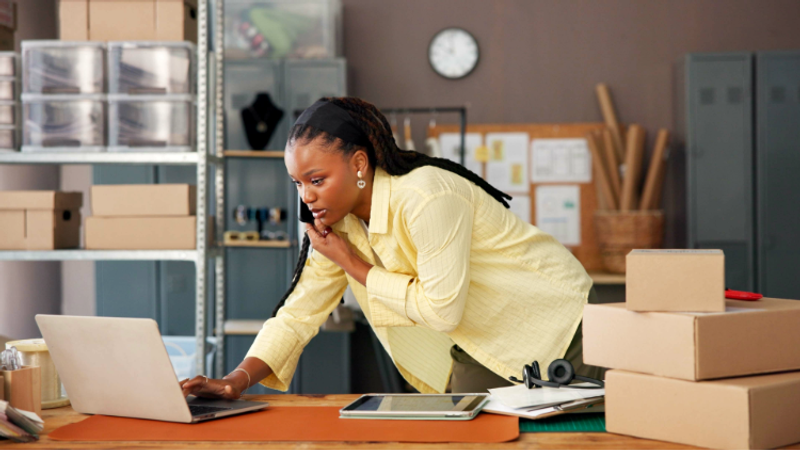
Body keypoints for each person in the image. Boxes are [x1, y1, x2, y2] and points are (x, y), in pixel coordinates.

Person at [181, 97, 604, 399]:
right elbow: (299, 312)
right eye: (298, 183)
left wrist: (353, 264)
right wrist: (237, 379)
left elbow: (442, 309)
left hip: (558, 326)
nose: (305, 196)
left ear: (359, 164)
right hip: (482, 343)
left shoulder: (425, 196)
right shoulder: (338, 222)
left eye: (316, 179)